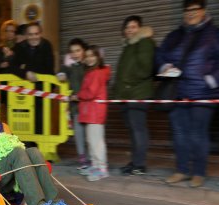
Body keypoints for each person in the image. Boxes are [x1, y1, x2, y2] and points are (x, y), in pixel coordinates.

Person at [156, 0, 219, 187]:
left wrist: (213, 79)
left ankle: (199, 173)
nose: (190, 13)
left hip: (203, 93)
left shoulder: (214, 34)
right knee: (179, 133)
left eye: (194, 9)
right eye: (187, 10)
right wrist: (164, 66)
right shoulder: (175, 35)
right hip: (177, 91)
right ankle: (182, 170)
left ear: (204, 11)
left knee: (198, 134)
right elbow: (160, 54)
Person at [113, 16, 156, 176]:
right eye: (127, 27)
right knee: (133, 130)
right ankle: (135, 162)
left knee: (138, 130)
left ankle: (140, 164)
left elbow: (145, 69)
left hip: (137, 94)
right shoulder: (129, 45)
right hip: (127, 95)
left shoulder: (144, 42)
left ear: (140, 28)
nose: (130, 30)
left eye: (133, 27)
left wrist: (127, 83)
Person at [77, 45, 111, 181]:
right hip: (92, 113)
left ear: (98, 57)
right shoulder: (92, 72)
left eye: (93, 55)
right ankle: (96, 166)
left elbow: (91, 93)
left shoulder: (96, 73)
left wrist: (78, 95)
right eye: (87, 56)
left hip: (95, 113)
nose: (90, 58)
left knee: (96, 142)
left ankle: (102, 169)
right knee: (92, 141)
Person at [57, 38, 90, 170]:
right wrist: (61, 75)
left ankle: (94, 159)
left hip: (91, 108)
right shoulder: (69, 67)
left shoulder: (89, 65)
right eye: (72, 52)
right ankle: (83, 159)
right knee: (79, 134)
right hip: (76, 108)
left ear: (84, 51)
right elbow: (61, 73)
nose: (75, 54)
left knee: (91, 136)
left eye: (78, 50)